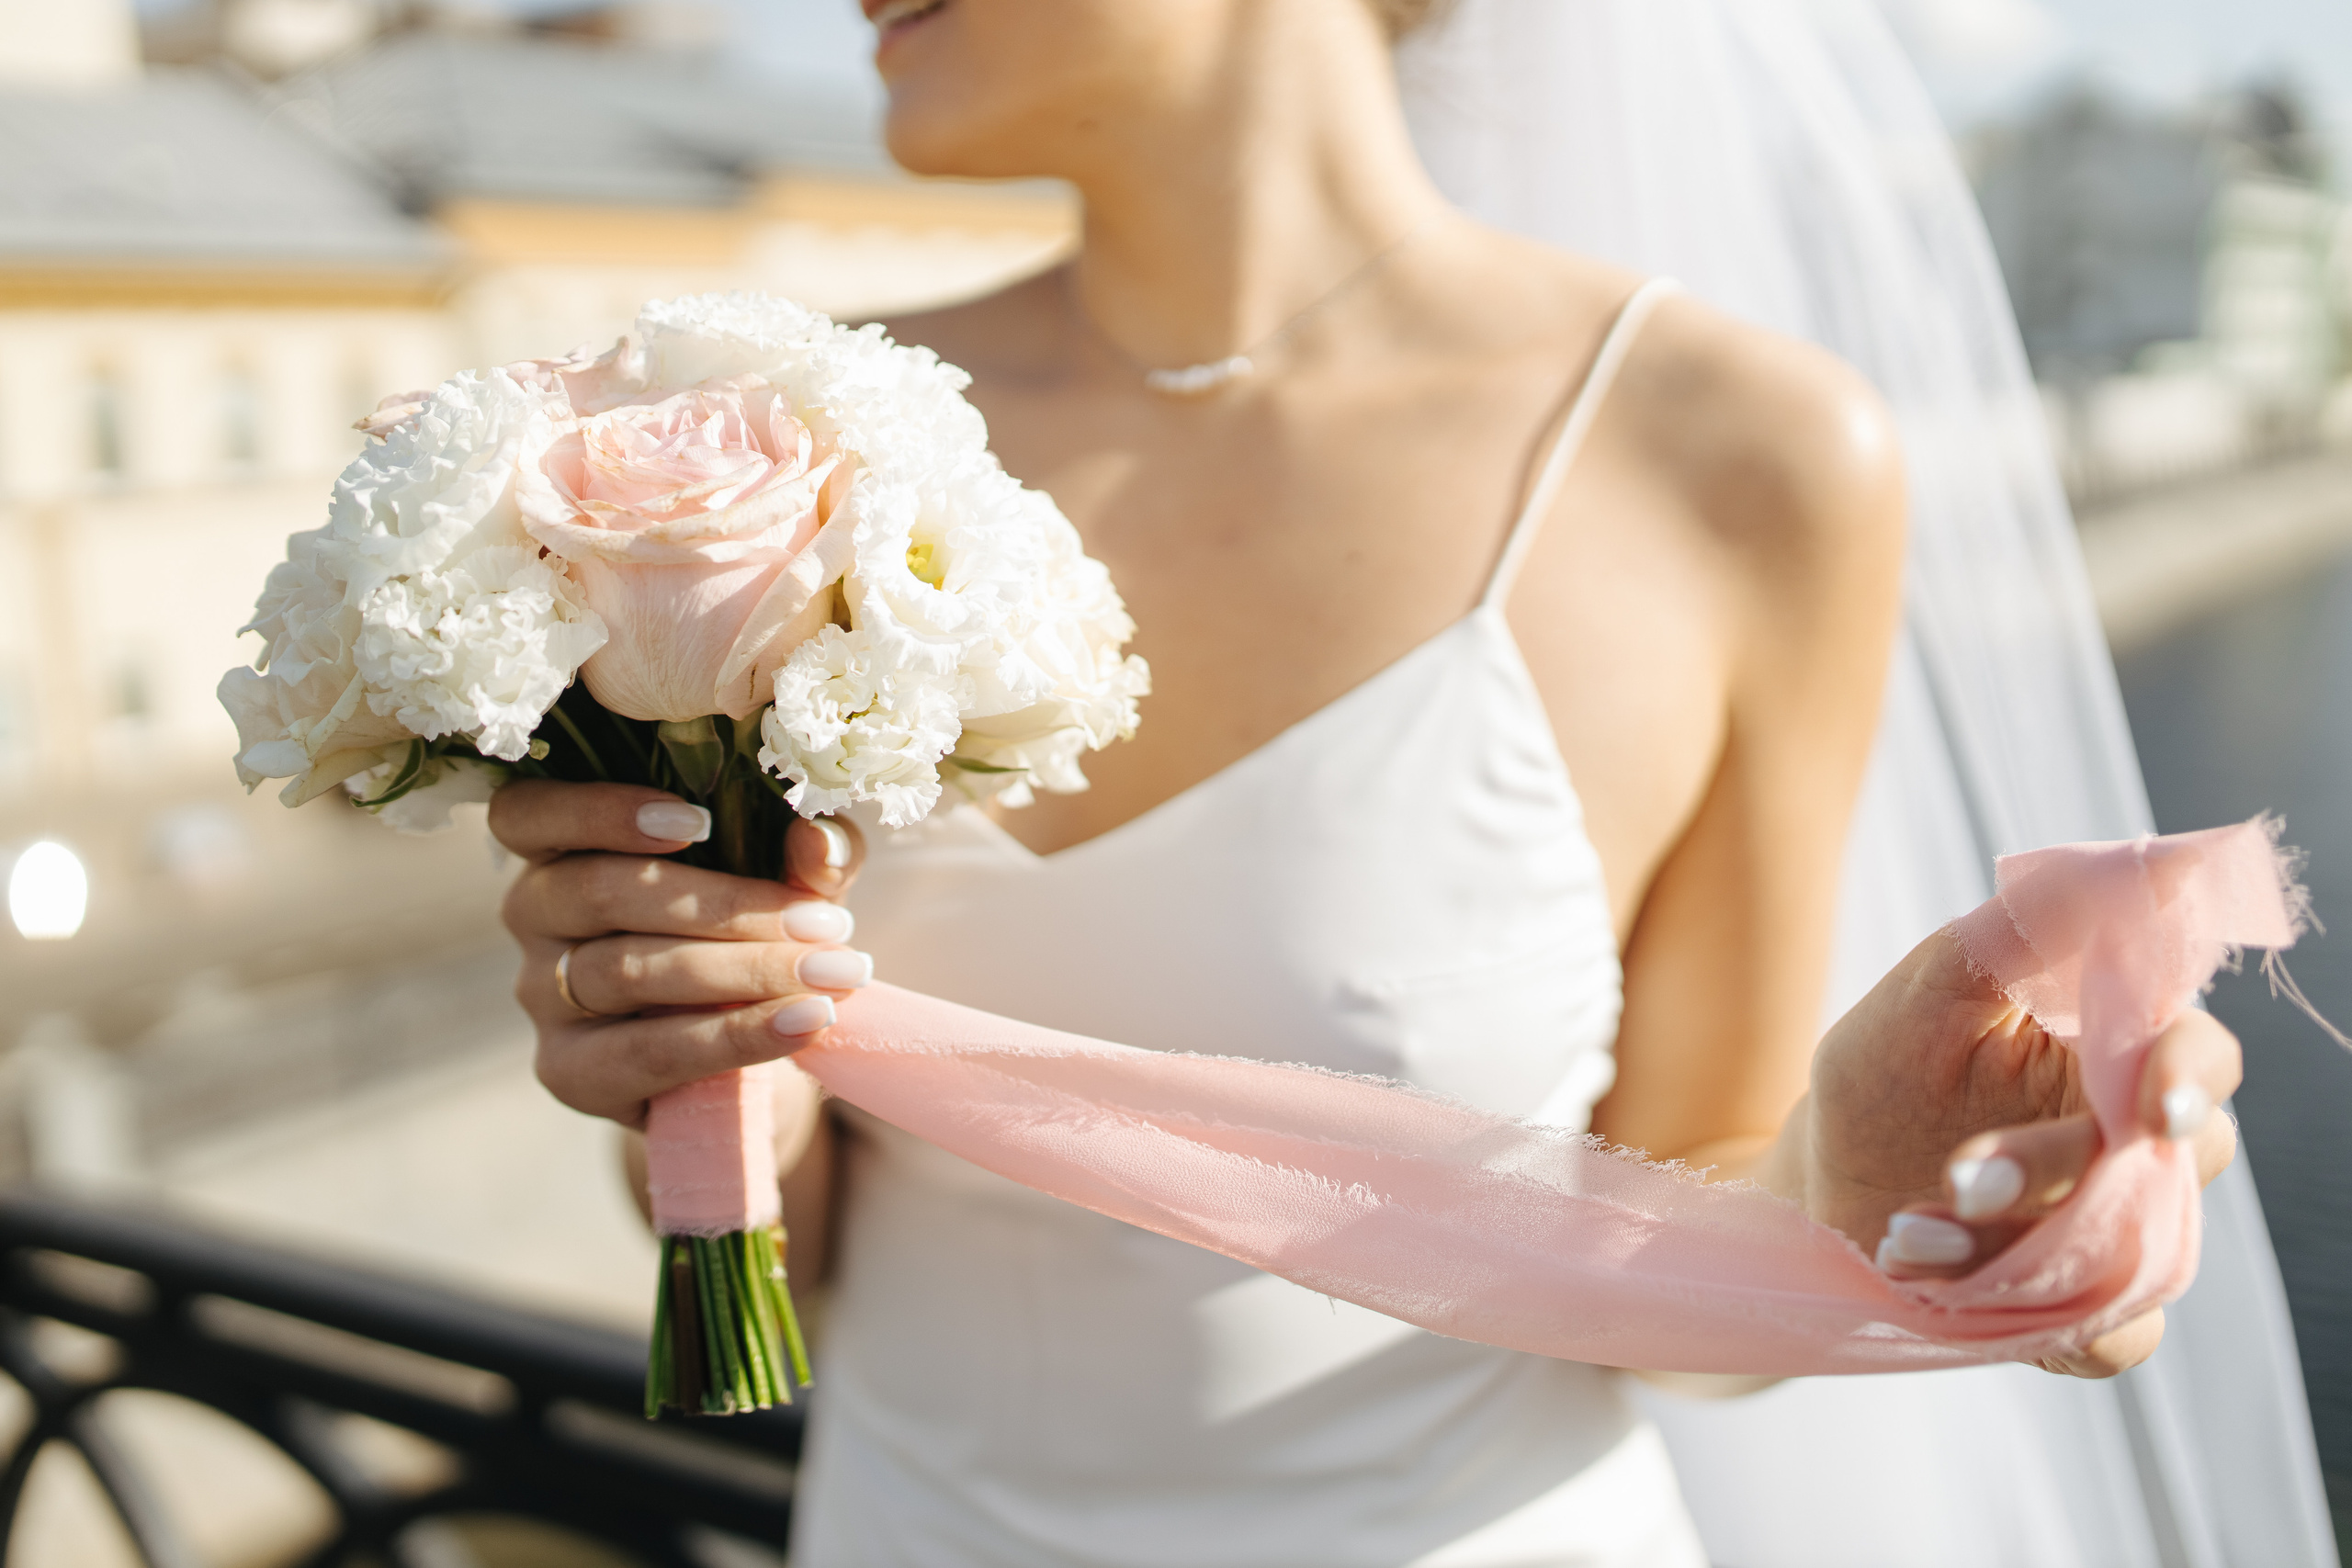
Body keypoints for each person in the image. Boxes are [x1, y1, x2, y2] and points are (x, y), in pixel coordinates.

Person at [487, 1, 2279, 1562]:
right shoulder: (779, 466)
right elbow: (771, 1278)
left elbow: (1688, 1295)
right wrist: (693, 1081)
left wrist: (1877, 1182)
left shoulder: (1739, 459)